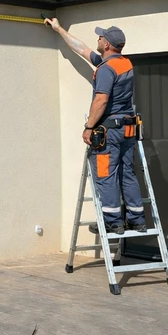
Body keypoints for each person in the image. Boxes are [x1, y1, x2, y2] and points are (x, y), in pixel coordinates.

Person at [45, 18, 145, 235]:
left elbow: (100, 100)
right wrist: (59, 28)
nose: (97, 39)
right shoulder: (123, 63)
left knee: (105, 174)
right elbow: (83, 50)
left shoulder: (106, 70)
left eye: (100, 37)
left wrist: (89, 127)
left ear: (107, 44)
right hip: (127, 130)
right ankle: (137, 220)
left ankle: (113, 222)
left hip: (110, 132)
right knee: (127, 173)